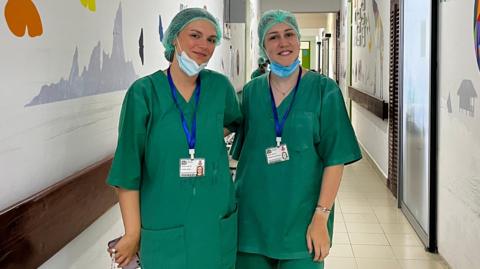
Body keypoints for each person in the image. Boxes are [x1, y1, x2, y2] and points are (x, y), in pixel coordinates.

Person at [107, 8, 242, 269]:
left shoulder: (219, 88)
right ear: (174, 39)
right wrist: (132, 233)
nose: (204, 45)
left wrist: (207, 139)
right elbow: (127, 170)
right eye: (195, 35)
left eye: (212, 39)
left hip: (215, 224)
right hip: (163, 227)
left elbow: (234, 122)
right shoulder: (143, 94)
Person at [232, 10, 362, 269]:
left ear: (298, 38)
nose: (283, 42)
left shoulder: (325, 90)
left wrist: (321, 217)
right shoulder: (250, 93)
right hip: (251, 224)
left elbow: (335, 160)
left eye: (289, 34)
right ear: (263, 47)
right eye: (273, 37)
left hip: (303, 224)